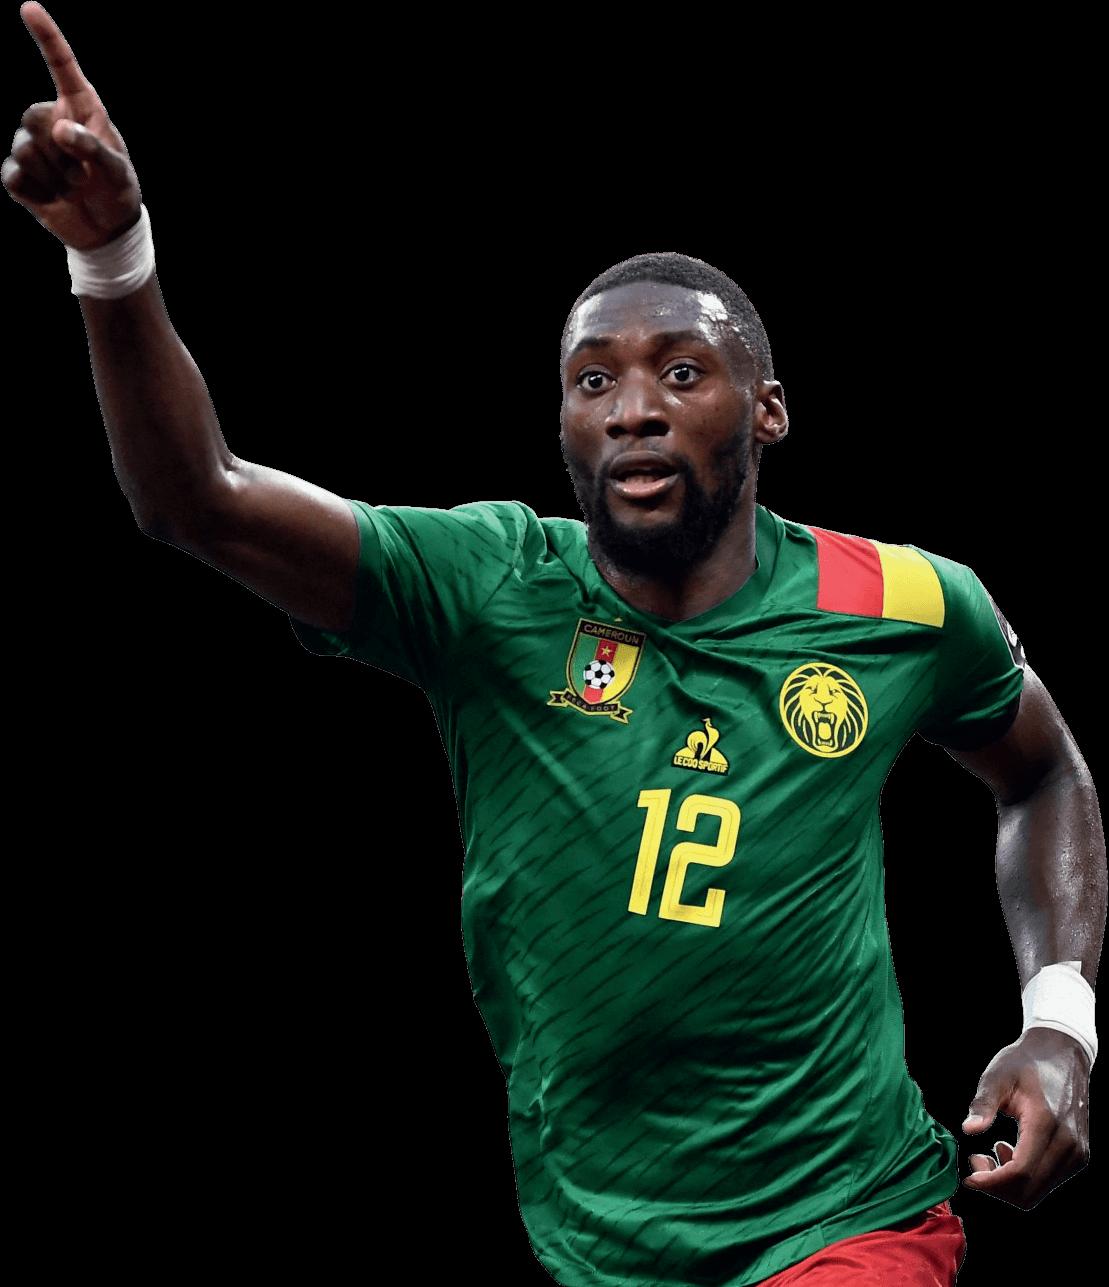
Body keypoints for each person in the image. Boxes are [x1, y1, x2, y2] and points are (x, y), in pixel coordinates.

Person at [5, 4, 1102, 1283]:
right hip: (594, 1236)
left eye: (680, 373)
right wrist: (114, 255)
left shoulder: (899, 603)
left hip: (846, 1217)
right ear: (564, 425)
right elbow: (197, 499)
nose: (634, 409)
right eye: (594, 381)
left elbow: (1039, 771)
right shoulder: (490, 587)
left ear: (765, 411)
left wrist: (1057, 1023)